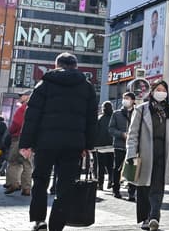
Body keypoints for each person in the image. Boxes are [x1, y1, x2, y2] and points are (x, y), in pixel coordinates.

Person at [19, 52, 98, 231]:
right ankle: (57, 225)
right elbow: (91, 119)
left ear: (56, 65)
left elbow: (32, 116)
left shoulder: (44, 84)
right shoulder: (86, 87)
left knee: (40, 180)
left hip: (45, 142)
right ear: (76, 67)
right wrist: (88, 145)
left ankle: (39, 221)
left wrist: (26, 143)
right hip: (73, 143)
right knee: (66, 184)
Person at [126, 80, 169, 231]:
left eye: (164, 89)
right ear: (152, 91)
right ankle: (145, 218)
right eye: (158, 89)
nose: (161, 92)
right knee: (144, 188)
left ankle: (154, 216)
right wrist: (131, 154)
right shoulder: (141, 109)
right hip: (144, 154)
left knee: (158, 187)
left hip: (162, 154)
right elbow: (133, 134)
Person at [110, 92, 137, 201]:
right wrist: (121, 134)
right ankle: (115, 190)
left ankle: (131, 192)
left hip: (133, 146)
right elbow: (111, 129)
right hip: (119, 145)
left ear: (133, 101)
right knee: (117, 168)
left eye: (128, 98)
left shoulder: (137, 113)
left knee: (132, 168)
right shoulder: (116, 114)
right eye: (124, 98)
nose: (125, 100)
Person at [6, 90, 33, 195]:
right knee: (27, 164)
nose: (20, 98)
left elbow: (16, 123)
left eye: (22, 96)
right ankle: (27, 188)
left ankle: (14, 184)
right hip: (30, 139)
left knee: (13, 162)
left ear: (27, 97)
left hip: (18, 138)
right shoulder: (37, 108)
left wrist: (11, 131)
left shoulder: (23, 108)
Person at [94, 101, 114, 191]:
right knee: (110, 165)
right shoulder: (114, 118)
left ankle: (100, 183)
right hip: (112, 146)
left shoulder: (99, 118)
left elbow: (96, 132)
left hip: (100, 146)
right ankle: (111, 181)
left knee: (100, 166)